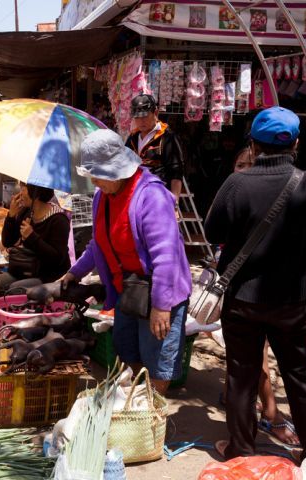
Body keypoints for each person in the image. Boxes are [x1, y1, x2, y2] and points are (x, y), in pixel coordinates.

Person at [204, 107, 306, 461]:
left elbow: (212, 233)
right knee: (300, 374)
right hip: (295, 302)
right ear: (296, 143)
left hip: (242, 301)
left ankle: (241, 449)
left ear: (252, 145)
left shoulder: (235, 184)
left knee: (242, 374)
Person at [62, 129, 191, 394]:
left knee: (157, 363)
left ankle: (151, 417)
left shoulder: (152, 196)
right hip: (129, 289)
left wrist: (161, 306)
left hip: (160, 292)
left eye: (97, 175)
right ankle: (133, 402)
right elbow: (98, 242)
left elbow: (166, 257)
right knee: (127, 349)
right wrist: (75, 273)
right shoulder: (103, 197)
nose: (95, 181)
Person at [219, 145, 299, 446]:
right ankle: (260, 411)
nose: (240, 170)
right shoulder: (236, 193)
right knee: (246, 357)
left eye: (246, 164)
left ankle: (271, 414)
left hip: (262, 295)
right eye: (237, 164)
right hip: (239, 289)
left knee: (258, 358)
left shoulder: (266, 196)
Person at [0, 184, 71, 292]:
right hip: (24, 269)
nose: (20, 193)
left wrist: (31, 237)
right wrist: (11, 216)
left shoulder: (58, 220)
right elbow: (8, 242)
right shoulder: (27, 212)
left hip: (48, 276)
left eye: (24, 188)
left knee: (14, 290)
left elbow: (57, 259)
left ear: (36, 194)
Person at [125, 93, 185, 199]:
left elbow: (176, 172)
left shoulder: (167, 137)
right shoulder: (132, 138)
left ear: (155, 112)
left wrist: (174, 202)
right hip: (135, 196)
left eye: (145, 116)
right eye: (138, 117)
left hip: (159, 198)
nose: (141, 121)